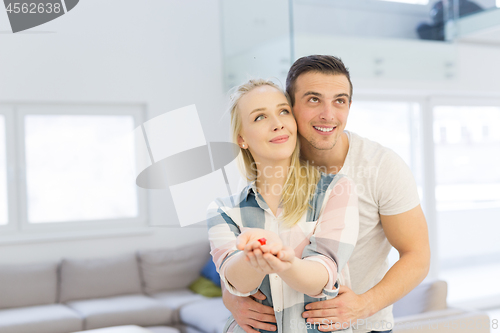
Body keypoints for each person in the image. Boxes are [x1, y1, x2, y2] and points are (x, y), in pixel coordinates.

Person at [222, 55, 431, 333]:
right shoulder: (266, 167)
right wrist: (232, 298)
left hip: (364, 325)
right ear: (291, 106)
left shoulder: (381, 166)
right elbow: (234, 253)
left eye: (339, 101)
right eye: (313, 99)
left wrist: (363, 305)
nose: (328, 114)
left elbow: (417, 256)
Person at [206, 79, 360, 332]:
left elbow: (322, 276)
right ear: (242, 139)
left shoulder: (336, 189)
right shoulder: (223, 210)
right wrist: (255, 254)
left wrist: (283, 260)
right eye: (260, 117)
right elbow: (236, 282)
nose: (277, 123)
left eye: (283, 111)